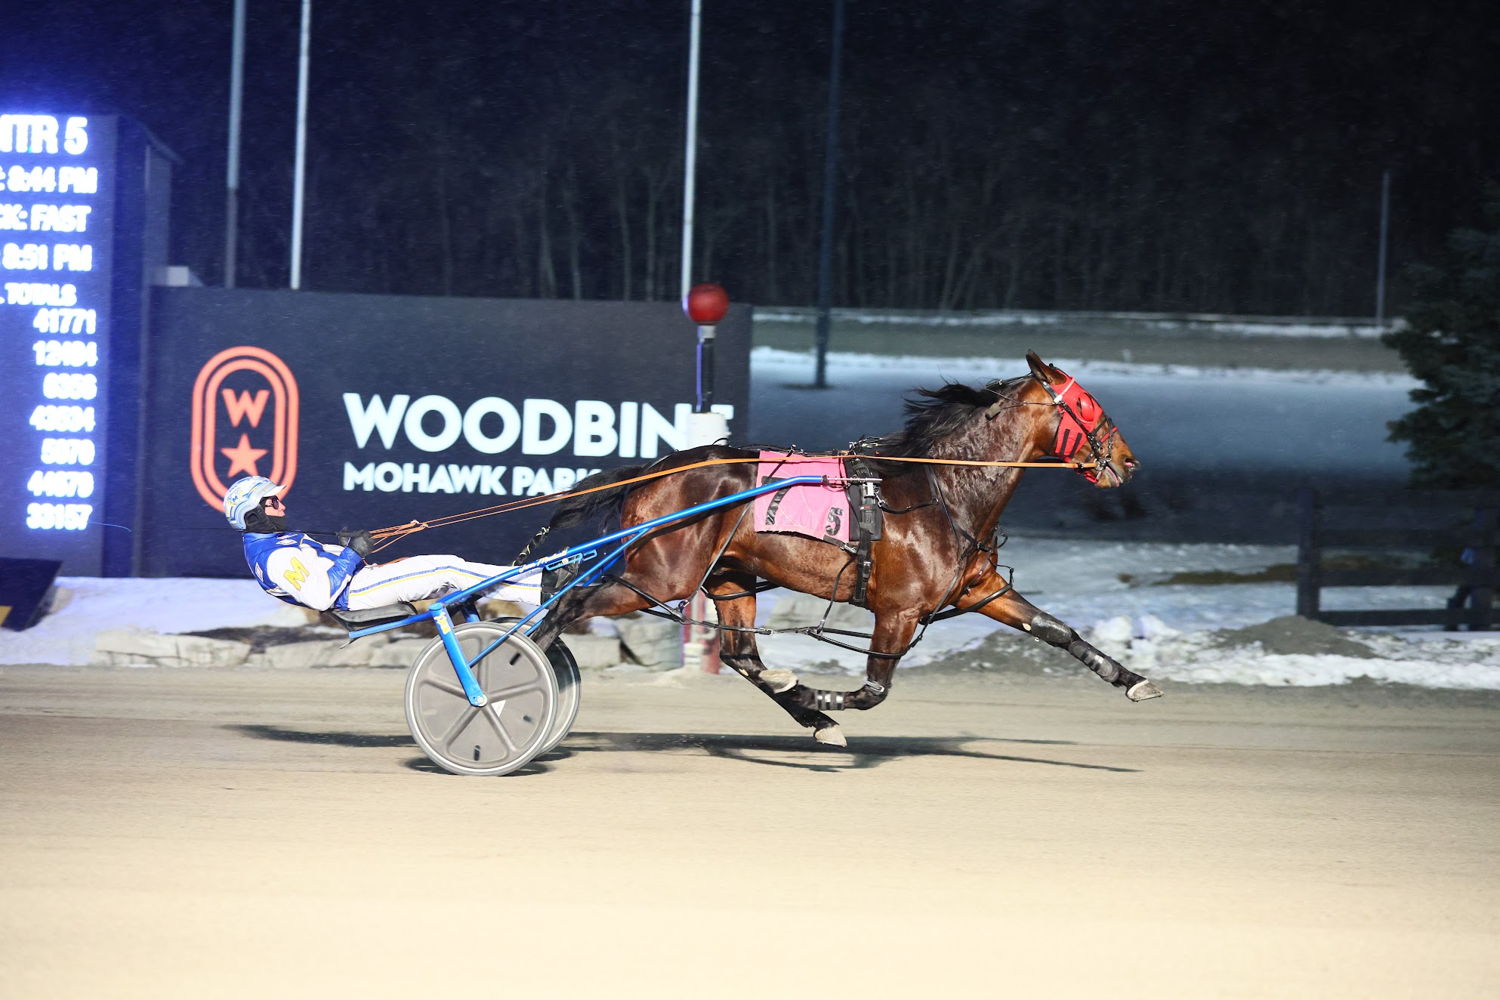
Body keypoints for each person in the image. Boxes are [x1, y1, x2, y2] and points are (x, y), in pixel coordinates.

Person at [223, 475, 540, 613]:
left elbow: (319, 569)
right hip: (357, 593)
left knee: (453, 566)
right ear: (253, 515)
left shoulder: (272, 543)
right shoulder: (274, 558)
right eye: (272, 501)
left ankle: (533, 582)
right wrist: (350, 553)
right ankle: (540, 589)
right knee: (448, 568)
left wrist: (346, 552)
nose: (282, 505)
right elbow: (320, 597)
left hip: (362, 581)